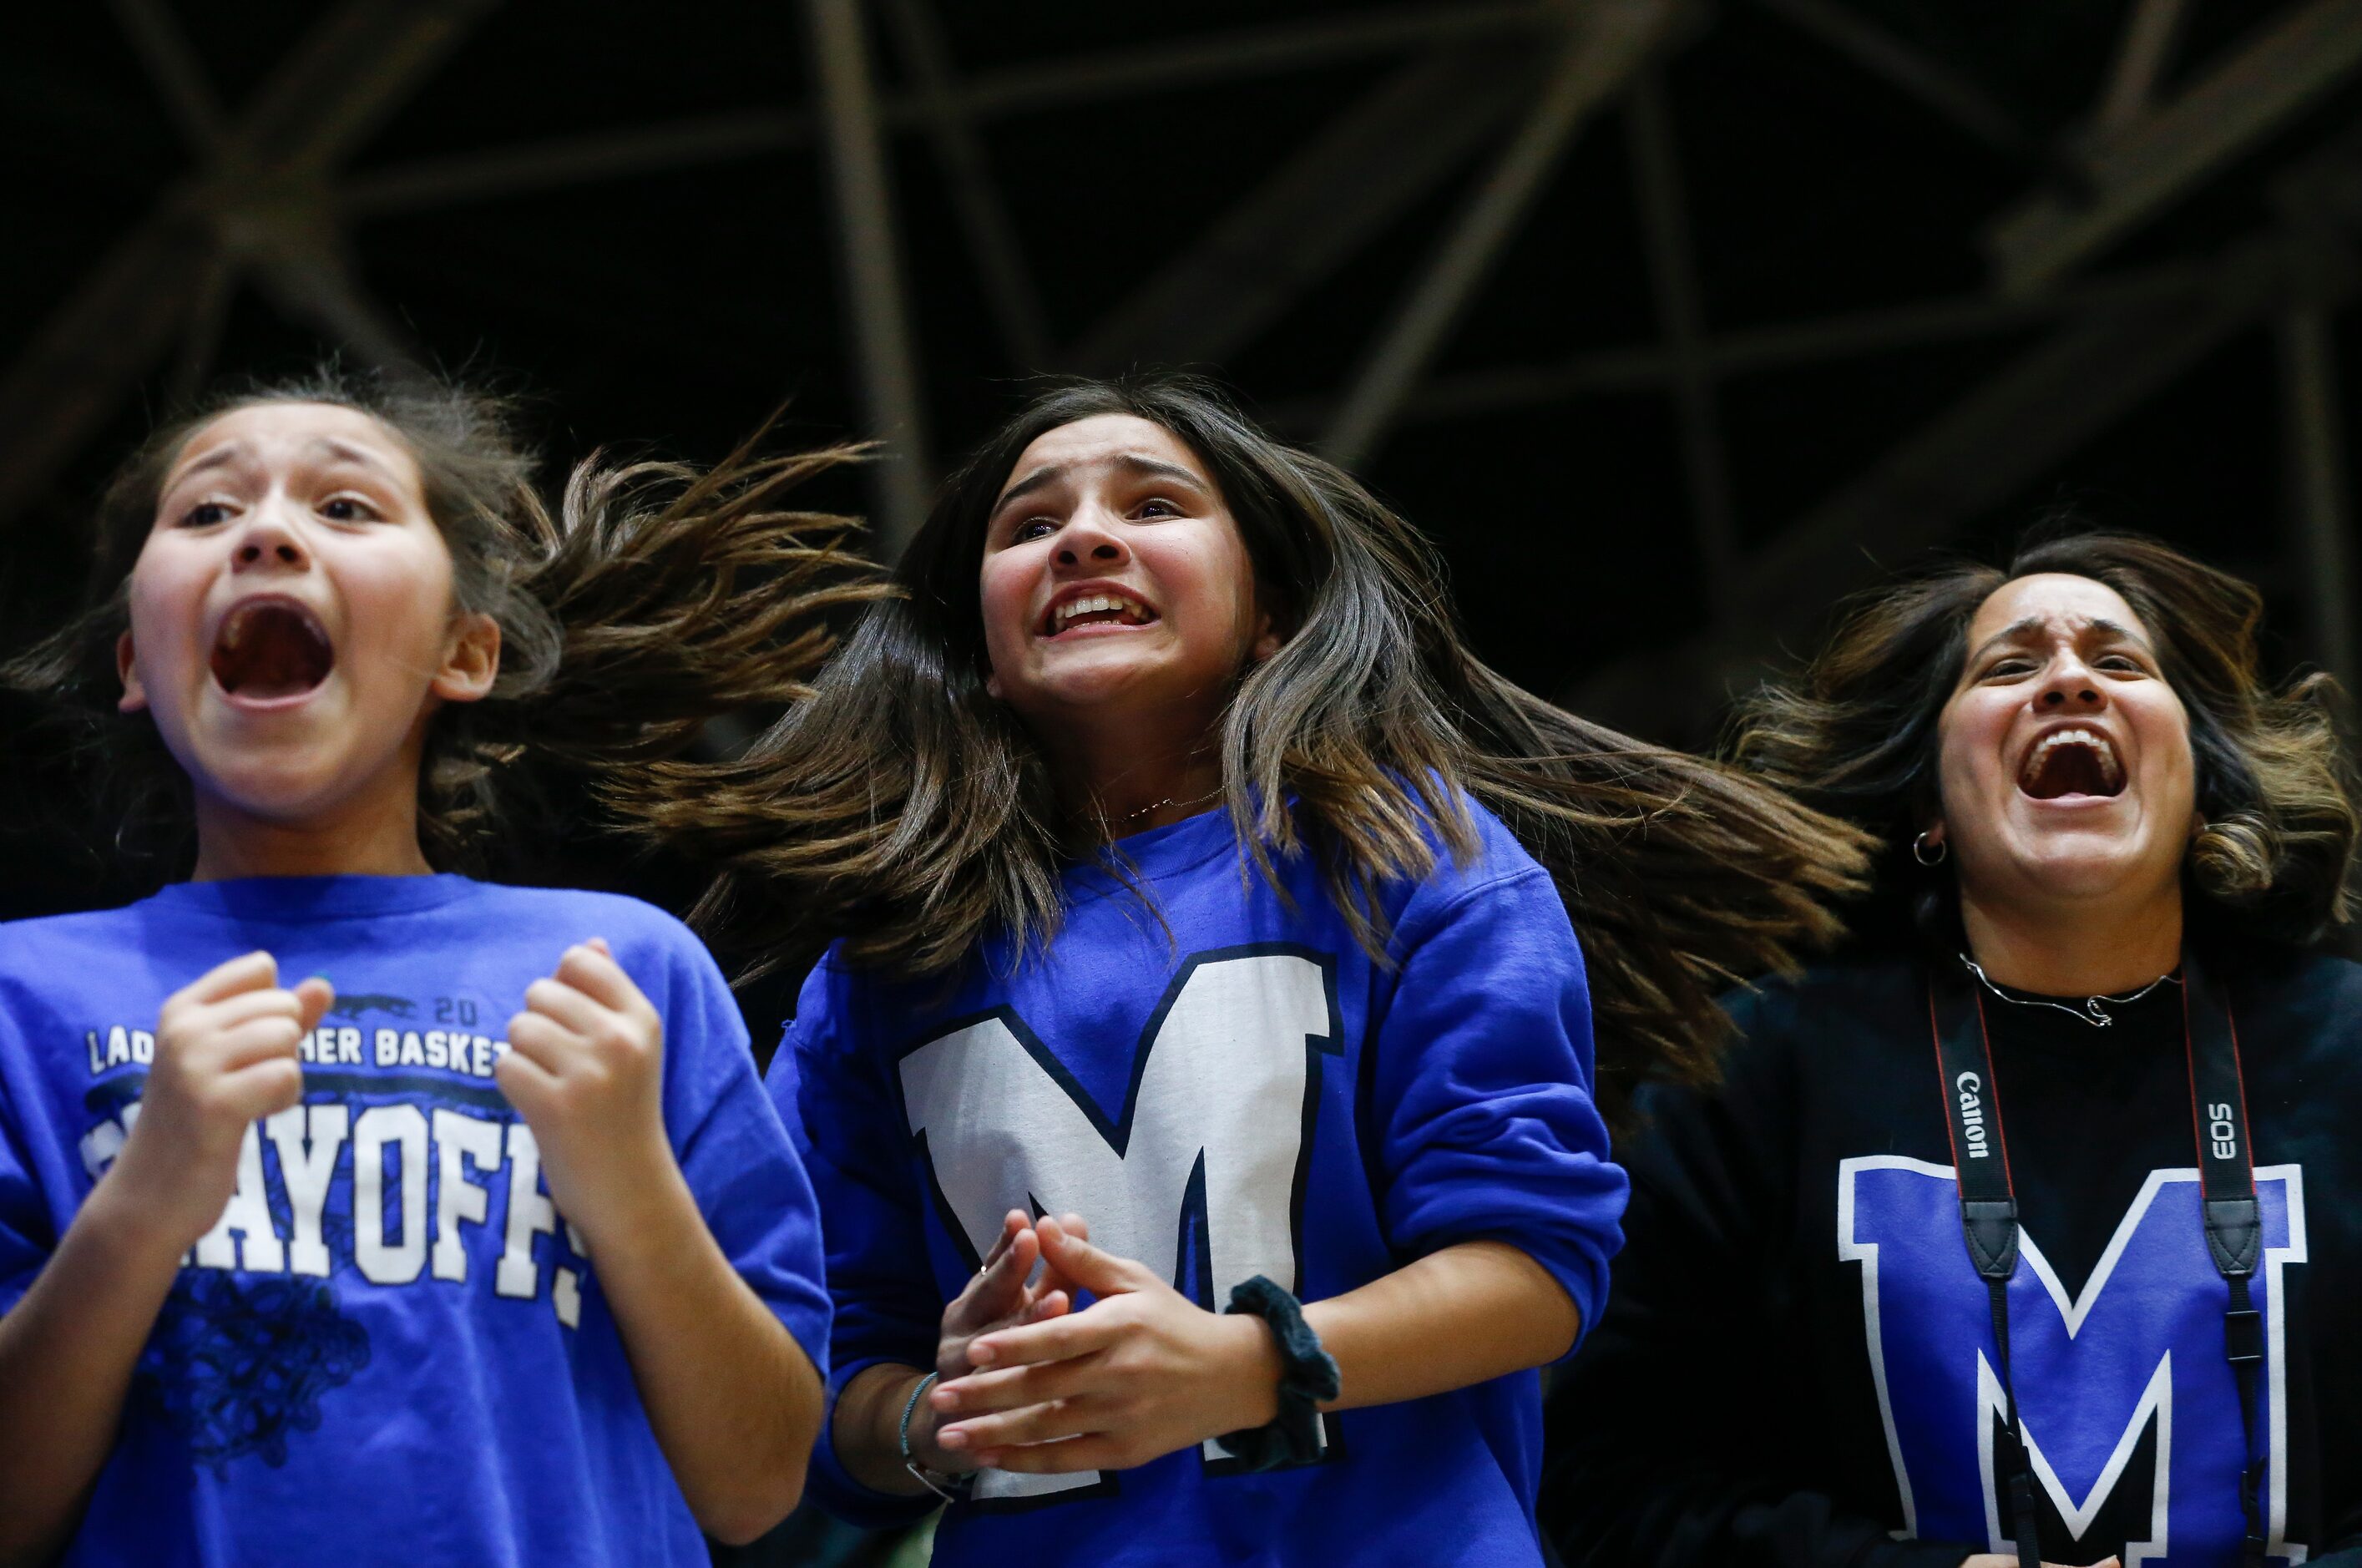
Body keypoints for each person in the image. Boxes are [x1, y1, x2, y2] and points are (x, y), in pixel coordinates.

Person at [622, 372, 1874, 1565]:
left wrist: (1242, 1363)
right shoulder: (879, 963)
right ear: (980, 646)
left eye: (1153, 505)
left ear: (1270, 611)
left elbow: (1536, 1270)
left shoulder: (1412, 859)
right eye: (1031, 522)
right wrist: (934, 1412)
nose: (1083, 538)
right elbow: (814, 1391)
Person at [0, 372, 876, 1565]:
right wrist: (144, 1201)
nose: (265, 529)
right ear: (136, 665)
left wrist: (627, 1182)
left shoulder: (622, 970)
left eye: (347, 507)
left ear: (465, 651)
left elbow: (760, 1478)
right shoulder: (23, 994)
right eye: (206, 513)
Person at [1540, 528, 2362, 1568]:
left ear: (2204, 785)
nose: (2068, 680)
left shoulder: (2343, 1045)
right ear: (1929, 803)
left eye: (2119, 662)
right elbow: (1609, 1481)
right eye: (2010, 666)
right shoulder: (1766, 1066)